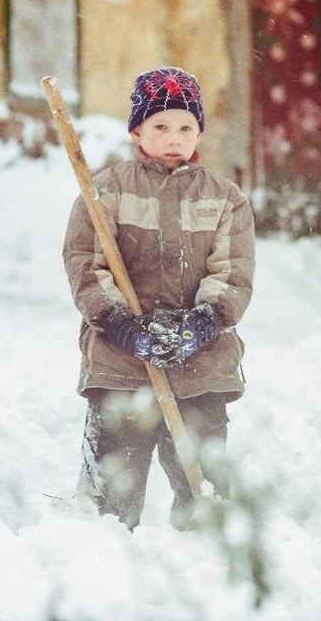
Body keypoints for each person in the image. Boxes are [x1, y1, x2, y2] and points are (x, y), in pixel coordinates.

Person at [62, 66, 255, 530]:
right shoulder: (105, 192)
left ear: (200, 131)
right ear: (137, 131)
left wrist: (202, 324)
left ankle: (204, 574)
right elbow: (86, 263)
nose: (174, 138)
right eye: (161, 126)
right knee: (111, 498)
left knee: (205, 493)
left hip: (201, 368)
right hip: (120, 367)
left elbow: (233, 272)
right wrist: (121, 325)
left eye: (186, 127)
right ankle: (100, 569)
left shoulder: (225, 199)